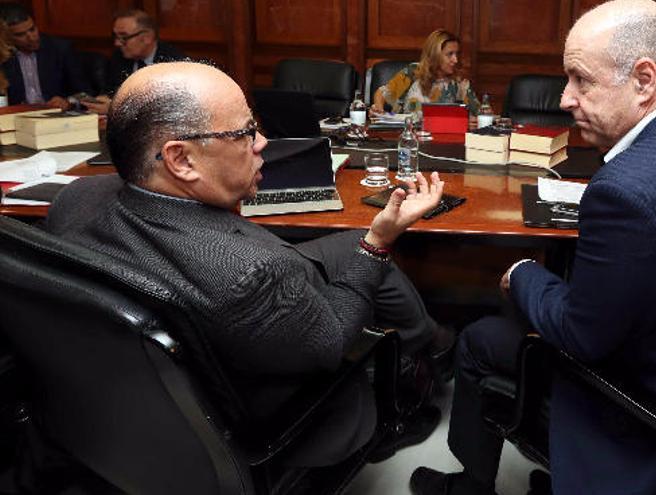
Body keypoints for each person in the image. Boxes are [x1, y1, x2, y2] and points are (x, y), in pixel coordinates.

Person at [410, 1, 656, 494]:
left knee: (482, 338)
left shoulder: (628, 190)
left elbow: (581, 336)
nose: (566, 99)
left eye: (581, 80)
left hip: (654, 404)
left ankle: (470, 485)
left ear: (643, 80)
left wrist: (523, 272)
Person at [46, 61, 452, 467]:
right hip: (271, 418)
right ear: (181, 160)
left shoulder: (76, 197)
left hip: (123, 412)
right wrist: (378, 243)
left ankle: (427, 340)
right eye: (243, 133)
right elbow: (332, 341)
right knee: (366, 251)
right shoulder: (253, 272)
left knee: (350, 242)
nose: (262, 142)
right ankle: (413, 377)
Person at [81, 9, 185, 115]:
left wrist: (117, 110)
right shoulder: (119, 57)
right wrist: (103, 99)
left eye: (124, 37)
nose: (117, 43)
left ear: (147, 38)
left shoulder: (173, 62)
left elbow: (167, 108)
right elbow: (111, 90)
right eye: (116, 36)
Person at [0, 3, 88, 110]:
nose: (31, 37)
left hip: (54, 115)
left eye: (32, 29)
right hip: (16, 116)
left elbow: (85, 92)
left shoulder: (60, 49)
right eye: (20, 35)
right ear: (5, 37)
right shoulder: (4, 55)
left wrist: (68, 101)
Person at [371, 29, 479, 115]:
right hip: (411, 135)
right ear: (435, 55)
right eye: (450, 54)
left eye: (457, 54)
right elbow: (381, 94)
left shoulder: (459, 80)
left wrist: (475, 119)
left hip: (443, 137)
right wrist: (380, 112)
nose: (455, 60)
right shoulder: (414, 72)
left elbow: (479, 112)